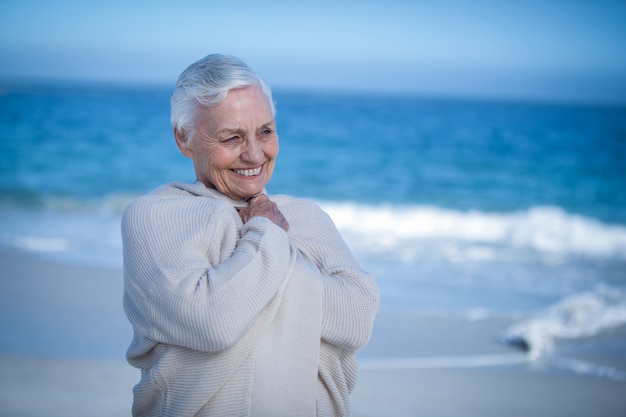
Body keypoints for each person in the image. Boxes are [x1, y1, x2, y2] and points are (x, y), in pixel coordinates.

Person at [122, 54, 379, 417]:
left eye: (266, 131)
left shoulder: (306, 216)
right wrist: (266, 233)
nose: (255, 154)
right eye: (232, 137)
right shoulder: (154, 215)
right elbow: (214, 323)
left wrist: (243, 284)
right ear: (184, 138)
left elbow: (357, 320)